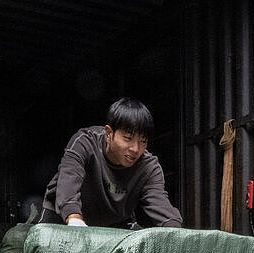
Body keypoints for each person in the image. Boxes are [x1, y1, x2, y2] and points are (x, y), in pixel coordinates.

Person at [40, 97, 182, 229]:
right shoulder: (85, 142)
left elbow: (162, 207)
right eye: (128, 138)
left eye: (143, 141)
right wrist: (74, 218)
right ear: (109, 133)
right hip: (63, 216)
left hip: (112, 223)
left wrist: (177, 233)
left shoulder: (149, 167)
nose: (135, 149)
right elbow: (69, 179)